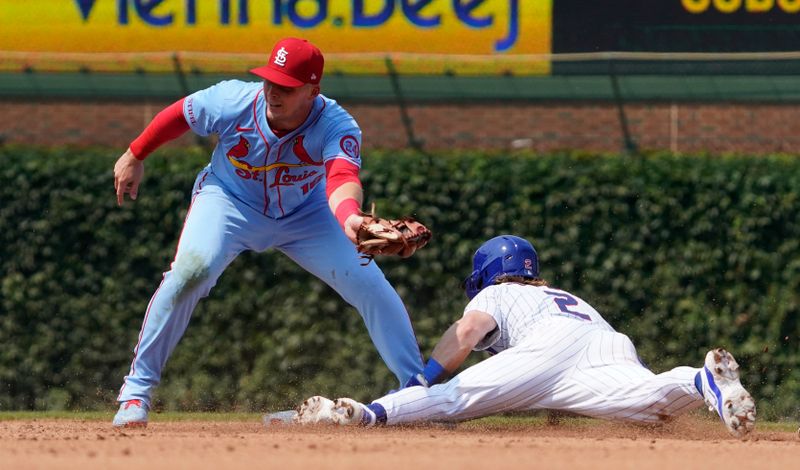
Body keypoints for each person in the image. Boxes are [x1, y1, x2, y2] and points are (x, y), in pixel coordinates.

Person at [111, 37, 425, 427]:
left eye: (287, 86)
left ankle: (416, 392)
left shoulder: (336, 124)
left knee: (368, 282)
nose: (274, 92)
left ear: (313, 90)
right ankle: (135, 393)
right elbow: (180, 115)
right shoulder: (233, 101)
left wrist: (351, 219)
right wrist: (135, 154)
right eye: (270, 81)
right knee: (190, 273)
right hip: (228, 200)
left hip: (307, 213)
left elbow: (342, 176)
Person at [294, 235, 757, 438]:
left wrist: (425, 377)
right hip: (606, 341)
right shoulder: (559, 292)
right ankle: (701, 382)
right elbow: (550, 381)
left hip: (547, 347)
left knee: (450, 400)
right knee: (651, 406)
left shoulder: (498, 292)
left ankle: (359, 414)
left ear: (488, 274)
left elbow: (468, 331)